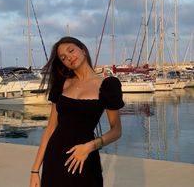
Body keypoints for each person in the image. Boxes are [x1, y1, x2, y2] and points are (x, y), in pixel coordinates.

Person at [29, 36, 124, 187]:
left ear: (83, 50)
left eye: (71, 50)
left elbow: (116, 130)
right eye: (63, 57)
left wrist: (89, 147)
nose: (69, 57)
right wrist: (35, 171)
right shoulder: (62, 84)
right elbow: (50, 129)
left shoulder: (107, 85)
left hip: (83, 159)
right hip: (54, 158)